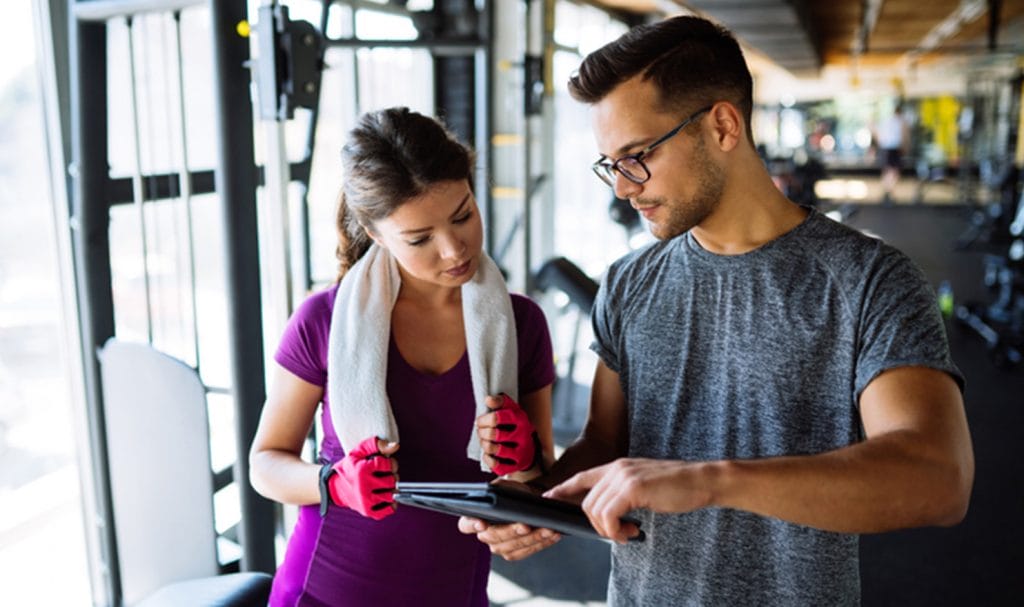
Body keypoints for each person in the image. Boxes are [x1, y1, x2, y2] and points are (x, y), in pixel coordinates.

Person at [460, 15, 973, 606]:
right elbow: (605, 443)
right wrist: (533, 499)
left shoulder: (869, 280)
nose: (623, 189)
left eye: (637, 155)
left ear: (723, 125)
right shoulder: (629, 283)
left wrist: (708, 481)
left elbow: (938, 477)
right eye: (610, 165)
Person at [249, 107, 556, 606]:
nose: (454, 249)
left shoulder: (521, 324)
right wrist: (334, 483)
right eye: (419, 239)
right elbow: (265, 463)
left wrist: (524, 459)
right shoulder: (322, 320)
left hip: (453, 591)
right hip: (324, 591)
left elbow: (539, 481)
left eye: (464, 215)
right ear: (376, 234)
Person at [876, 102, 909, 204]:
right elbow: (904, 135)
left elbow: (878, 134)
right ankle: (888, 192)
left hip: (885, 147)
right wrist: (905, 147)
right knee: (894, 171)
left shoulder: (886, 121)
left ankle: (887, 192)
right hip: (894, 147)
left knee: (887, 171)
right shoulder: (900, 121)